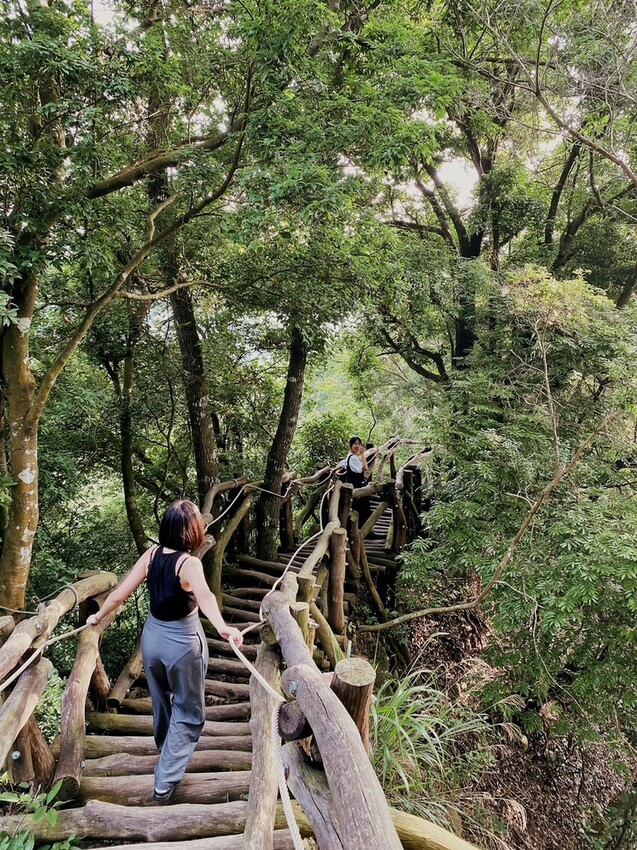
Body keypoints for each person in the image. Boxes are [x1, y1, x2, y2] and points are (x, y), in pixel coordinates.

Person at [86, 499, 243, 804]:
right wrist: (223, 628)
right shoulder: (189, 564)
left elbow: (119, 595)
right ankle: (164, 780)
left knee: (162, 701)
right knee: (191, 712)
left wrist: (98, 615)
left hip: (152, 640)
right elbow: (206, 598)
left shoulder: (151, 555)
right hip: (182, 644)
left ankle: (166, 749)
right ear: (192, 531)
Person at [337, 435, 374, 532]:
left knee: (357, 508)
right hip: (358, 487)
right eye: (355, 444)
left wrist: (335, 469)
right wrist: (362, 454)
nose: (357, 446)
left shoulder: (349, 456)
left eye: (359, 444)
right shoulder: (353, 458)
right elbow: (365, 468)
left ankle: (357, 530)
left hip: (352, 487)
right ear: (350, 446)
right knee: (364, 510)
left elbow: (342, 463)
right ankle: (365, 531)